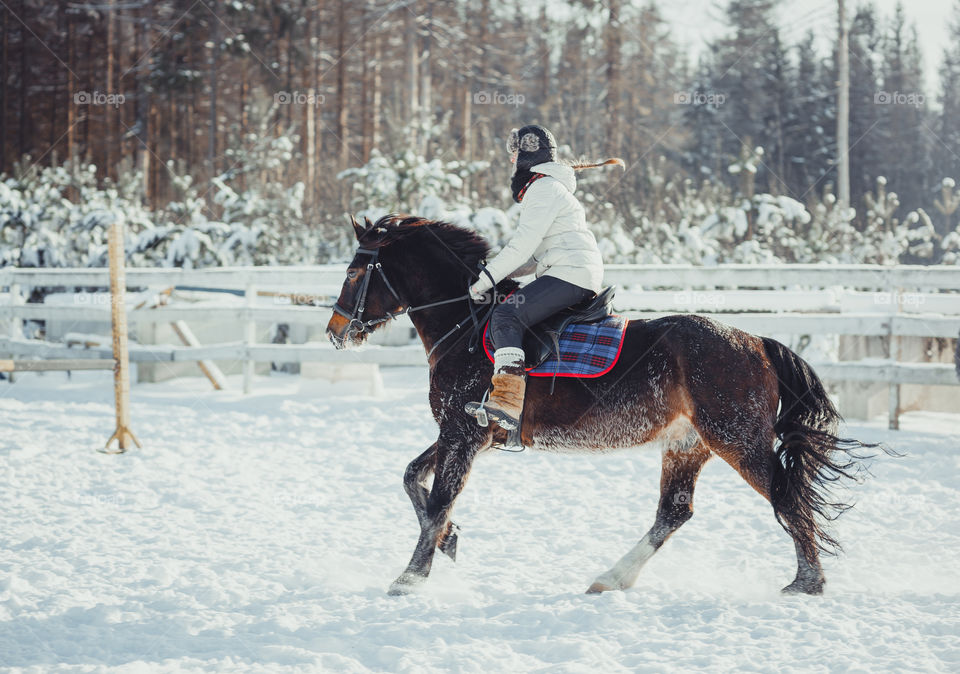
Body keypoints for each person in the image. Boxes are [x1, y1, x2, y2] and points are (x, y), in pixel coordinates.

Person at [465, 124, 624, 430]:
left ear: (526, 156)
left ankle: (508, 403)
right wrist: (493, 273)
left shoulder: (543, 189)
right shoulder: (548, 188)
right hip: (573, 270)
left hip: (571, 273)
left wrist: (482, 282)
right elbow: (533, 257)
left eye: (514, 155)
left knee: (505, 317)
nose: (511, 162)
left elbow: (521, 246)